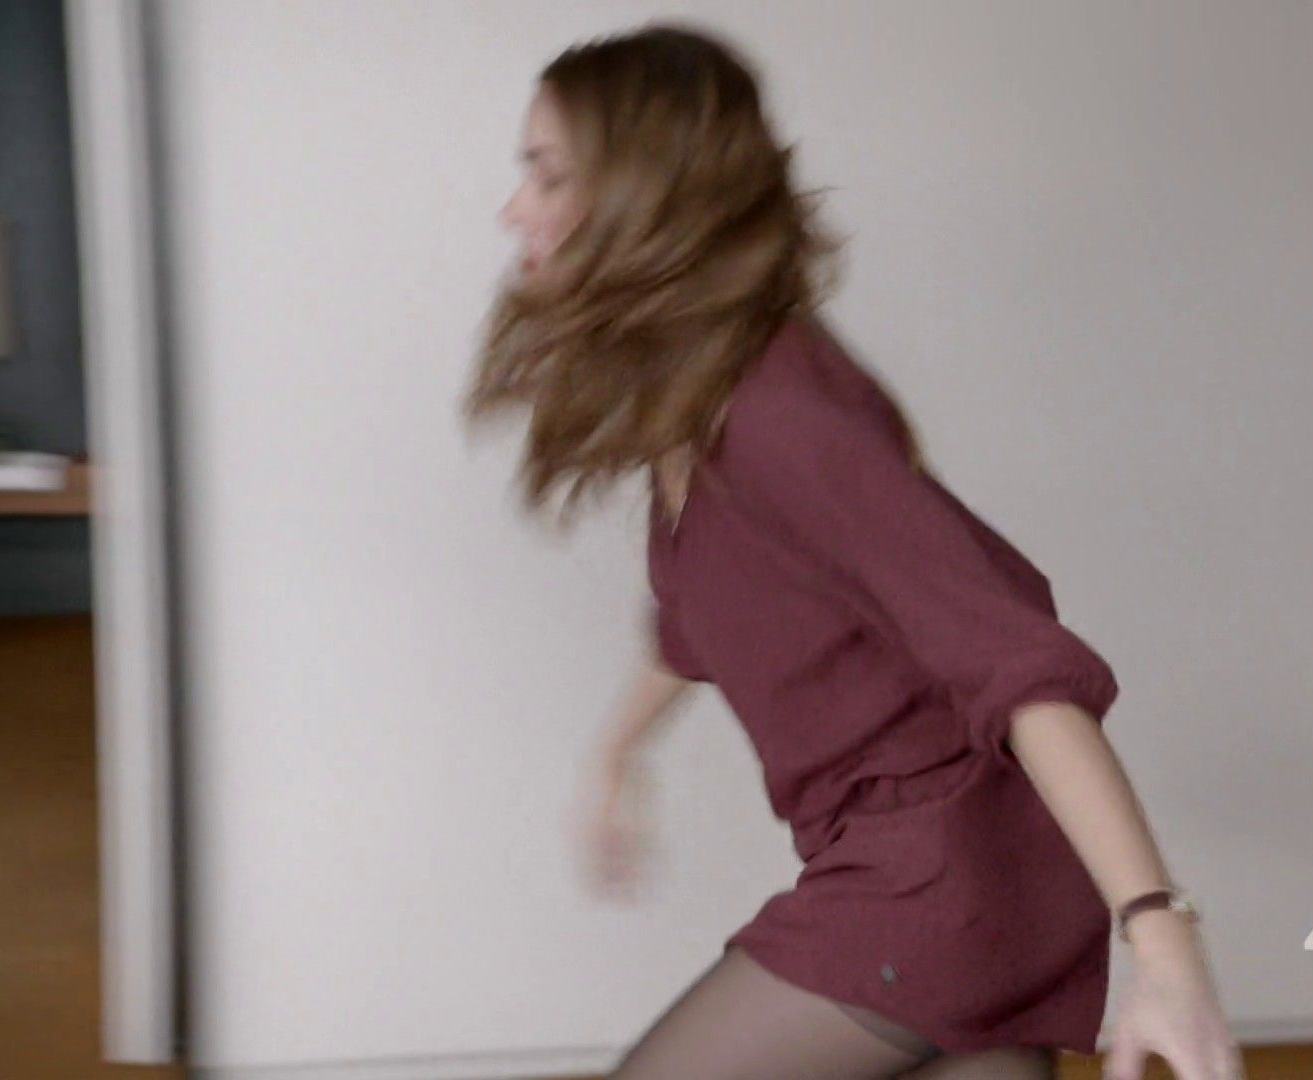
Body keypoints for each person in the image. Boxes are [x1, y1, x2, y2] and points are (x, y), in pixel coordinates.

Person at [464, 21, 1242, 1080]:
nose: (514, 208)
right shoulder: (695, 407)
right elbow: (699, 620)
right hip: (968, 880)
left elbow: (1021, 668)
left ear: (648, 194)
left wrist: (1166, 945)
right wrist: (617, 752)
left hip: (931, 879)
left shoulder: (775, 416)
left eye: (548, 175)